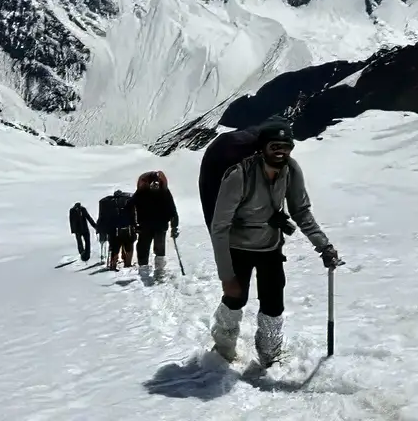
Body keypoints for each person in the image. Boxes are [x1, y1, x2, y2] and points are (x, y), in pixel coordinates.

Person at [208, 118, 342, 366]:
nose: (281, 152)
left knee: (273, 303)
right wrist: (227, 276)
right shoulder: (239, 175)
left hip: (270, 246)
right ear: (263, 148)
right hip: (238, 247)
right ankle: (223, 350)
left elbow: (301, 211)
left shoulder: (291, 170)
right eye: (274, 146)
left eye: (286, 146)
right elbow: (220, 226)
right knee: (235, 298)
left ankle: (269, 355)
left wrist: (324, 245)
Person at [131, 170, 180, 280]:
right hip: (158, 225)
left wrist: (133, 224)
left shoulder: (141, 192)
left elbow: (130, 207)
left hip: (146, 225)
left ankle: (145, 270)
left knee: (144, 247)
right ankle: (158, 270)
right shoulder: (164, 192)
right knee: (157, 247)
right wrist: (174, 225)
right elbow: (172, 210)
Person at [96, 189, 136, 270]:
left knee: (114, 249)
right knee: (128, 247)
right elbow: (133, 217)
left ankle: (113, 265)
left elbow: (104, 218)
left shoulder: (109, 204)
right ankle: (128, 264)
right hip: (127, 230)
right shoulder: (128, 202)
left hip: (114, 231)